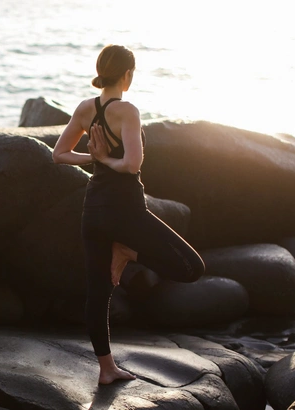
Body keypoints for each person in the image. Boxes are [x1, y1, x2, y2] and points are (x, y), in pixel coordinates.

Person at [52, 44, 205, 385]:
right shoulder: (128, 110)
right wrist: (105, 159)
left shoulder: (83, 108)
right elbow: (132, 165)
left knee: (98, 292)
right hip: (126, 209)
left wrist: (92, 157)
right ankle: (129, 251)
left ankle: (106, 370)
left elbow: (59, 155)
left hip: (93, 209)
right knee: (192, 267)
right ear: (127, 74)